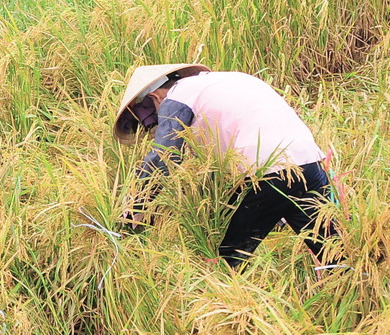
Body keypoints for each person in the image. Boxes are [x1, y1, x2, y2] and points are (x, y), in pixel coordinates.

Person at [114, 64, 342, 269]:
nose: (158, 124)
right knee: (332, 253)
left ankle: (229, 312)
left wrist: (134, 207)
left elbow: (162, 157)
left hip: (266, 170)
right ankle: (354, 300)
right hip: (308, 162)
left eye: (155, 120)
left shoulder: (177, 96)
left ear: (155, 98)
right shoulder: (227, 82)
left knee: (227, 262)